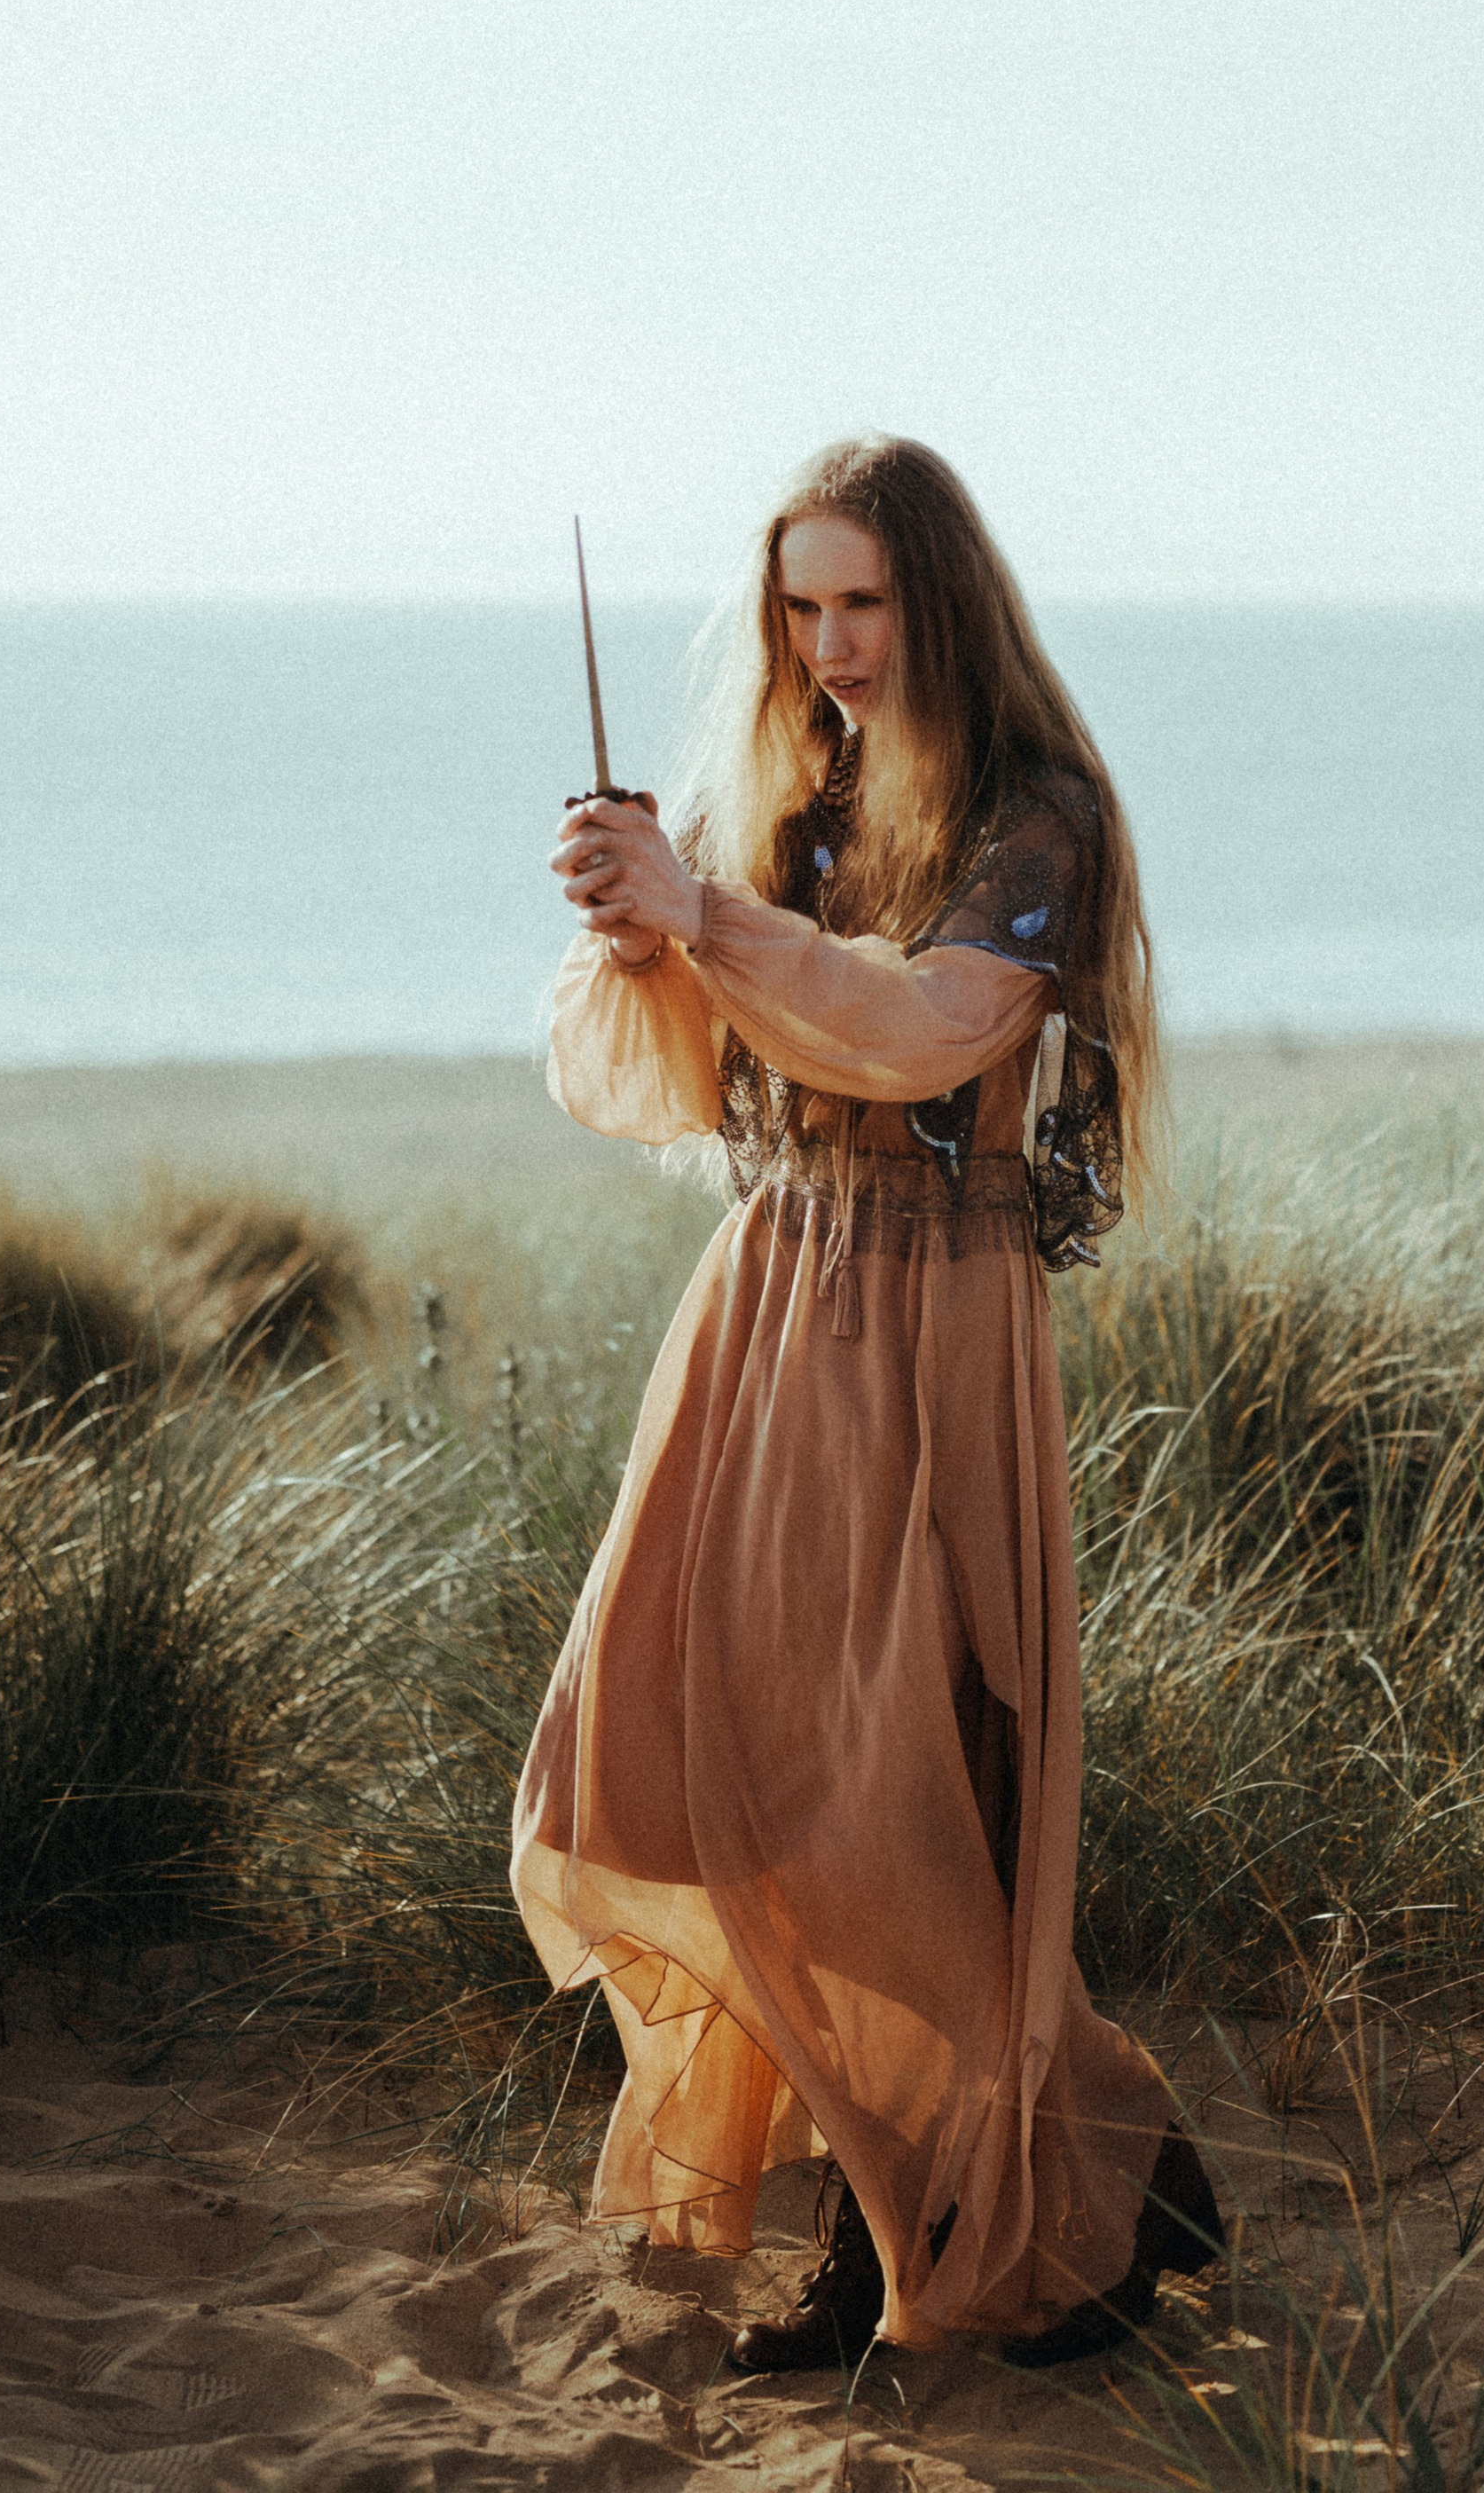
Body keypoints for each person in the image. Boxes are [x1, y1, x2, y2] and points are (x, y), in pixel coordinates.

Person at [509, 436, 1219, 2371]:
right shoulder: (791, 810)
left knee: (911, 1785)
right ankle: (1069, 2153)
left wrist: (709, 921)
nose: (826, 646)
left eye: (862, 602)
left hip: (933, 1319)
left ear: (939, 600)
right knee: (679, 1756)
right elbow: (663, 1083)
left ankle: (932, 2212)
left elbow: (913, 1033)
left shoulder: (1034, 817)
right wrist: (634, 923)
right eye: (797, 607)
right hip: (767, 1308)